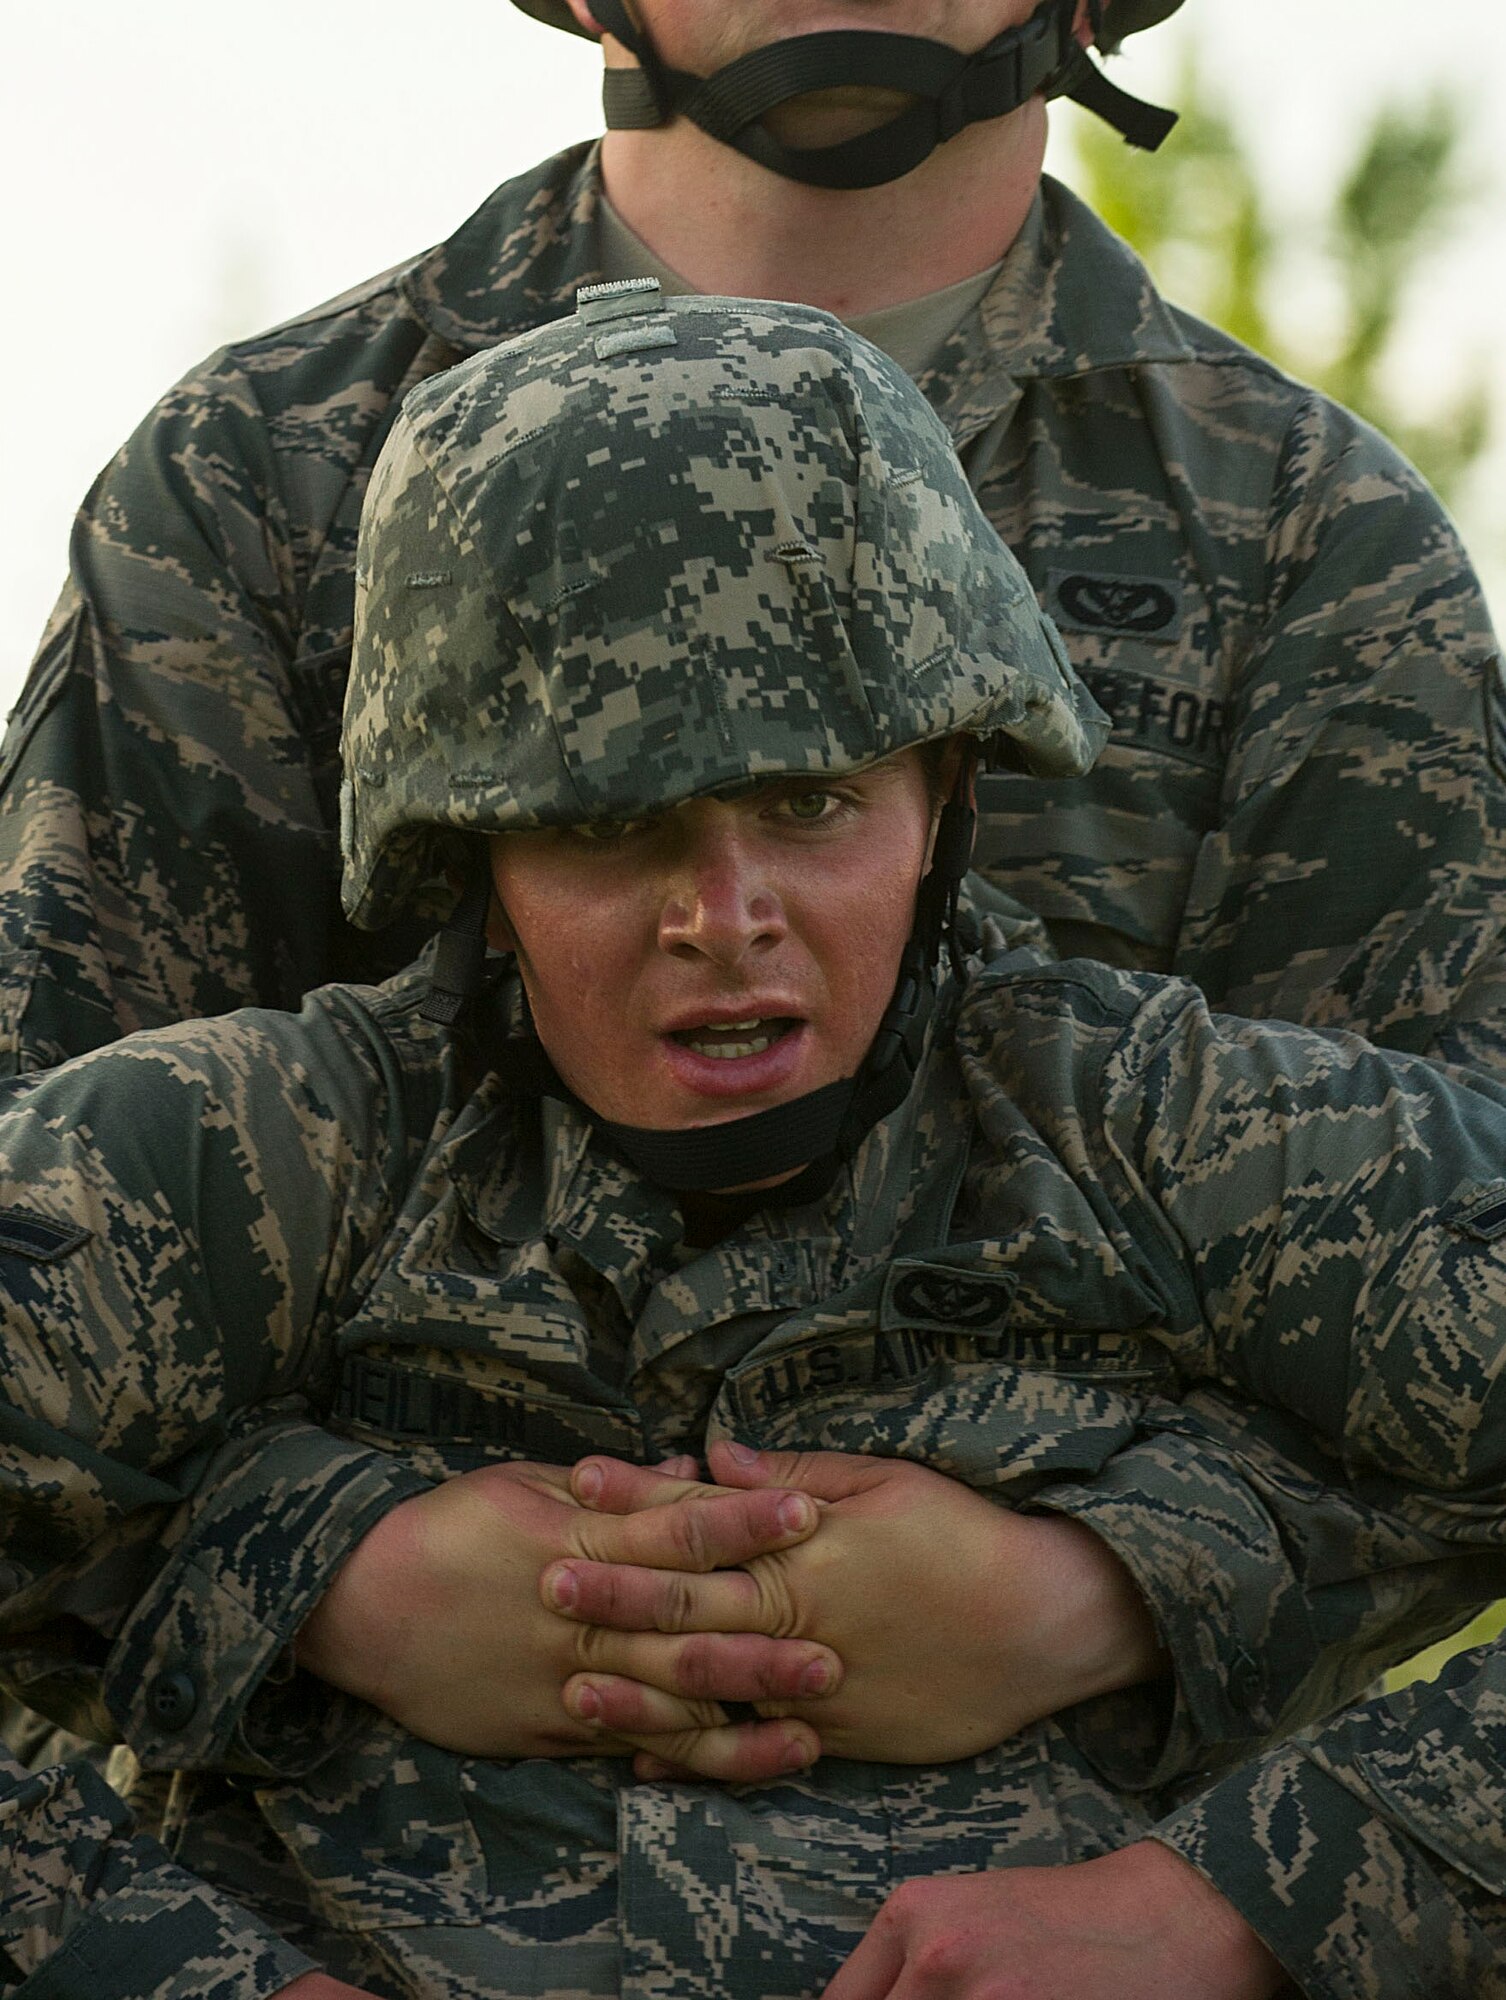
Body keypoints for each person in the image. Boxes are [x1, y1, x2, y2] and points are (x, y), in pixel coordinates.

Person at [1, 289, 1504, 2000]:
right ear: (465, 856)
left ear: (946, 794)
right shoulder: (240, 1159)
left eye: (809, 805)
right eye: (604, 827)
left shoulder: (1180, 1134)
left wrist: (1243, 1903)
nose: (724, 919)